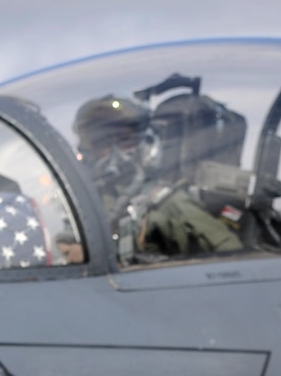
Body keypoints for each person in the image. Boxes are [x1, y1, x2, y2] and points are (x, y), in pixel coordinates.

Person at [73, 94, 241, 260]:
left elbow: (233, 257)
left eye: (124, 140)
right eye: (101, 143)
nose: (113, 152)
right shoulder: (91, 202)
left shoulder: (169, 203)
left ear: (147, 142)